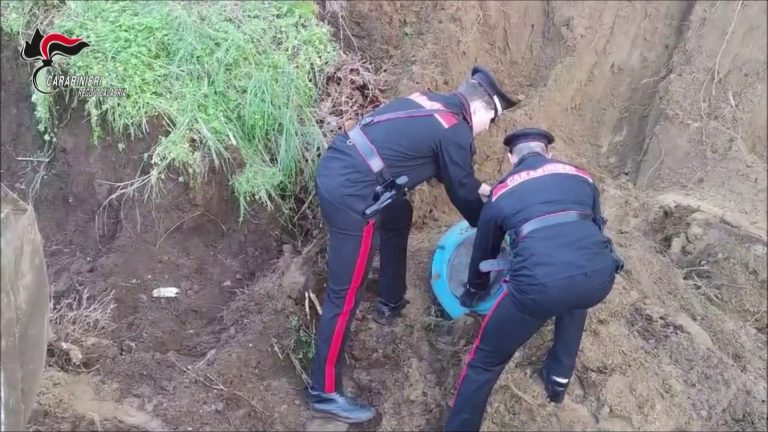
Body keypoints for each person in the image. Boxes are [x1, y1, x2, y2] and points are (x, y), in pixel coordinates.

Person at [307, 66, 520, 423]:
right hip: (353, 193)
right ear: (483, 110)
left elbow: (454, 174)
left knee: (399, 213)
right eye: (491, 122)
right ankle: (323, 390)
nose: (485, 130)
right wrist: (491, 231)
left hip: (346, 165)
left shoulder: (431, 104)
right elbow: (463, 194)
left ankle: (390, 299)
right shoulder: (457, 131)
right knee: (344, 293)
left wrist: (494, 191)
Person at [445, 128, 625, 431]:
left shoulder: (501, 192)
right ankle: (558, 380)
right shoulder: (581, 176)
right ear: (548, 154)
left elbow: (484, 251)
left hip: (538, 287)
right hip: (598, 275)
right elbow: (595, 225)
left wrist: (474, 291)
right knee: (573, 286)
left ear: (510, 159)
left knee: (485, 361)